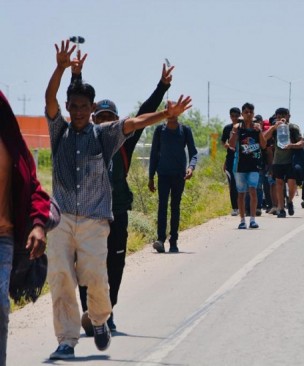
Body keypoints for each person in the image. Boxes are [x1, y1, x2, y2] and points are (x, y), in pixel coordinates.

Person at [45, 39, 192, 360]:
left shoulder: (108, 136)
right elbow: (55, 99)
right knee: (61, 277)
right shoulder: (60, 132)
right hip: (62, 217)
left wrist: (166, 111)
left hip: (99, 218)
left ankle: (99, 319)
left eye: (88, 107)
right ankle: (66, 339)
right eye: (77, 107)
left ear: (97, 110)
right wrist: (63, 69)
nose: (82, 112)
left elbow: (137, 120)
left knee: (98, 276)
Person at [71, 59, 174, 336]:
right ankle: (89, 312)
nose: (105, 121)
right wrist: (76, 74)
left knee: (115, 262)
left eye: (109, 118)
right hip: (88, 213)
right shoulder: (84, 137)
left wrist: (162, 87)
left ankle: (107, 310)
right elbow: (75, 101)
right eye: (100, 117)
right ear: (94, 119)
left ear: (116, 121)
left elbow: (144, 113)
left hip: (117, 211)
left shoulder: (124, 141)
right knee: (86, 264)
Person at [0, 91, 59, 366]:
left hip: (3, 238)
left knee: (0, 307)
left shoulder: (12, 146)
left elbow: (34, 187)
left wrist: (38, 225)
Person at [149, 103, 198, 253]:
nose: (172, 114)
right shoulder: (159, 130)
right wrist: (151, 176)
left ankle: (174, 241)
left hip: (179, 175)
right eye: (169, 111)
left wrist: (191, 168)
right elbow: (154, 154)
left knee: (175, 207)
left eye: (175, 111)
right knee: (162, 206)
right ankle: (161, 240)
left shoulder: (185, 130)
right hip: (163, 174)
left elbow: (193, 153)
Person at [228, 103, 266, 229]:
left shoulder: (256, 128)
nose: (248, 114)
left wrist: (260, 131)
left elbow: (264, 145)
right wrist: (235, 131)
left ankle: (253, 219)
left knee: (253, 190)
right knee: (241, 193)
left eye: (251, 112)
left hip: (254, 165)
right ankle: (242, 220)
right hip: (239, 165)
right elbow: (232, 145)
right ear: (242, 114)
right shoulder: (237, 127)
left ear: (253, 113)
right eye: (246, 112)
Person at [263, 107, 304, 218]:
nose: (281, 117)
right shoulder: (274, 128)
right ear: (276, 116)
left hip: (291, 160)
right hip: (278, 160)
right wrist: (273, 128)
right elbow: (263, 138)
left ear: (288, 116)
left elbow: (302, 141)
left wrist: (292, 145)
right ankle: (281, 208)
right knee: (279, 184)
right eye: (279, 115)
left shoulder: (293, 128)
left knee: (291, 184)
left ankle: (290, 201)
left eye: (284, 115)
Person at [221, 107, 241, 216]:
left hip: (242, 159)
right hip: (230, 159)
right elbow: (223, 141)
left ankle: (245, 206)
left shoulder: (244, 127)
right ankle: (235, 207)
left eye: (236, 116)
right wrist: (227, 145)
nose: (234, 118)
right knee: (232, 184)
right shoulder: (227, 128)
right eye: (232, 116)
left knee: (242, 183)